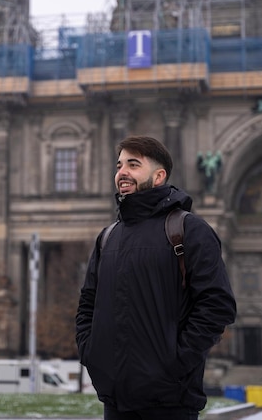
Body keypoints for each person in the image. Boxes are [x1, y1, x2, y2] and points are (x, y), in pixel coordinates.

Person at [76, 136, 236, 420]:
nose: (122, 172)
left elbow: (217, 305)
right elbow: (88, 303)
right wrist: (92, 354)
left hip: (170, 401)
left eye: (133, 164)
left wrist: (173, 364)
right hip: (115, 399)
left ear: (159, 176)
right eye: (119, 165)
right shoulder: (108, 237)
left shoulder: (190, 229)